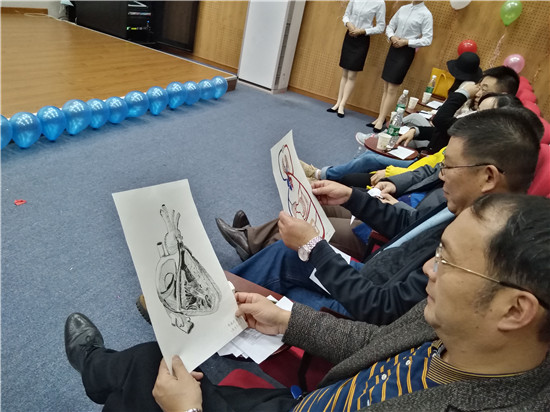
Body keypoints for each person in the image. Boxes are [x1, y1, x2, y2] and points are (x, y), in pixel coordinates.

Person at [65, 194, 550, 412]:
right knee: (160, 366)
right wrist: (286, 321)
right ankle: (100, 371)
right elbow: (379, 341)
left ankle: (96, 369)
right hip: (308, 401)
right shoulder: (461, 330)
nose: (428, 269)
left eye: (448, 261)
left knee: (153, 378)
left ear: (515, 310)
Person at [228, 108, 541, 323]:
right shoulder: (468, 207)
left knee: (291, 258)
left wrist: (314, 247)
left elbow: (383, 309)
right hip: (369, 275)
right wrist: (351, 197)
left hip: (358, 311)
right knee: (285, 252)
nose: (441, 174)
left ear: (488, 176)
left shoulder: (472, 249)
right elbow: (409, 226)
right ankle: (221, 305)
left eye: (448, 165)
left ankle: (220, 316)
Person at [216, 92, 525, 261]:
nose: (473, 114)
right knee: (316, 198)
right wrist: (389, 188)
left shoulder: (471, 213)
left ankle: (256, 241)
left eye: (482, 112)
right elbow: (428, 171)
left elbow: (416, 229)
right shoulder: (466, 169)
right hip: (395, 207)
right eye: (476, 107)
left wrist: (393, 202)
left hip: (382, 232)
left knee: (313, 223)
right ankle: (254, 239)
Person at [303, 66, 520, 182]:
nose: (478, 92)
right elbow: (443, 128)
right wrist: (416, 131)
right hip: (430, 158)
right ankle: (326, 174)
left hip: (427, 165)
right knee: (379, 149)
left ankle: (321, 175)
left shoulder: (486, 124)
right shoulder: (481, 114)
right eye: (479, 87)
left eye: (484, 89)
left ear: (502, 96)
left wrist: (462, 92)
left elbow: (442, 122)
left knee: (369, 159)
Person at [369, 1, 433, 133]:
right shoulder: (403, 8)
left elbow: (427, 39)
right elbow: (390, 26)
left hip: (406, 51)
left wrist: (407, 42)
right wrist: (392, 36)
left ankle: (382, 119)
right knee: (386, 85)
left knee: (393, 87)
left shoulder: (426, 14)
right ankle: (380, 117)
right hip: (393, 48)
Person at [327, 0, 385, 118]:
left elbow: (380, 27)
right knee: (344, 73)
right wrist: (349, 24)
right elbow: (346, 15)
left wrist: (363, 31)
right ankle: (337, 103)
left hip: (362, 39)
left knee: (352, 75)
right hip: (349, 36)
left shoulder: (380, 3)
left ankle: (342, 105)